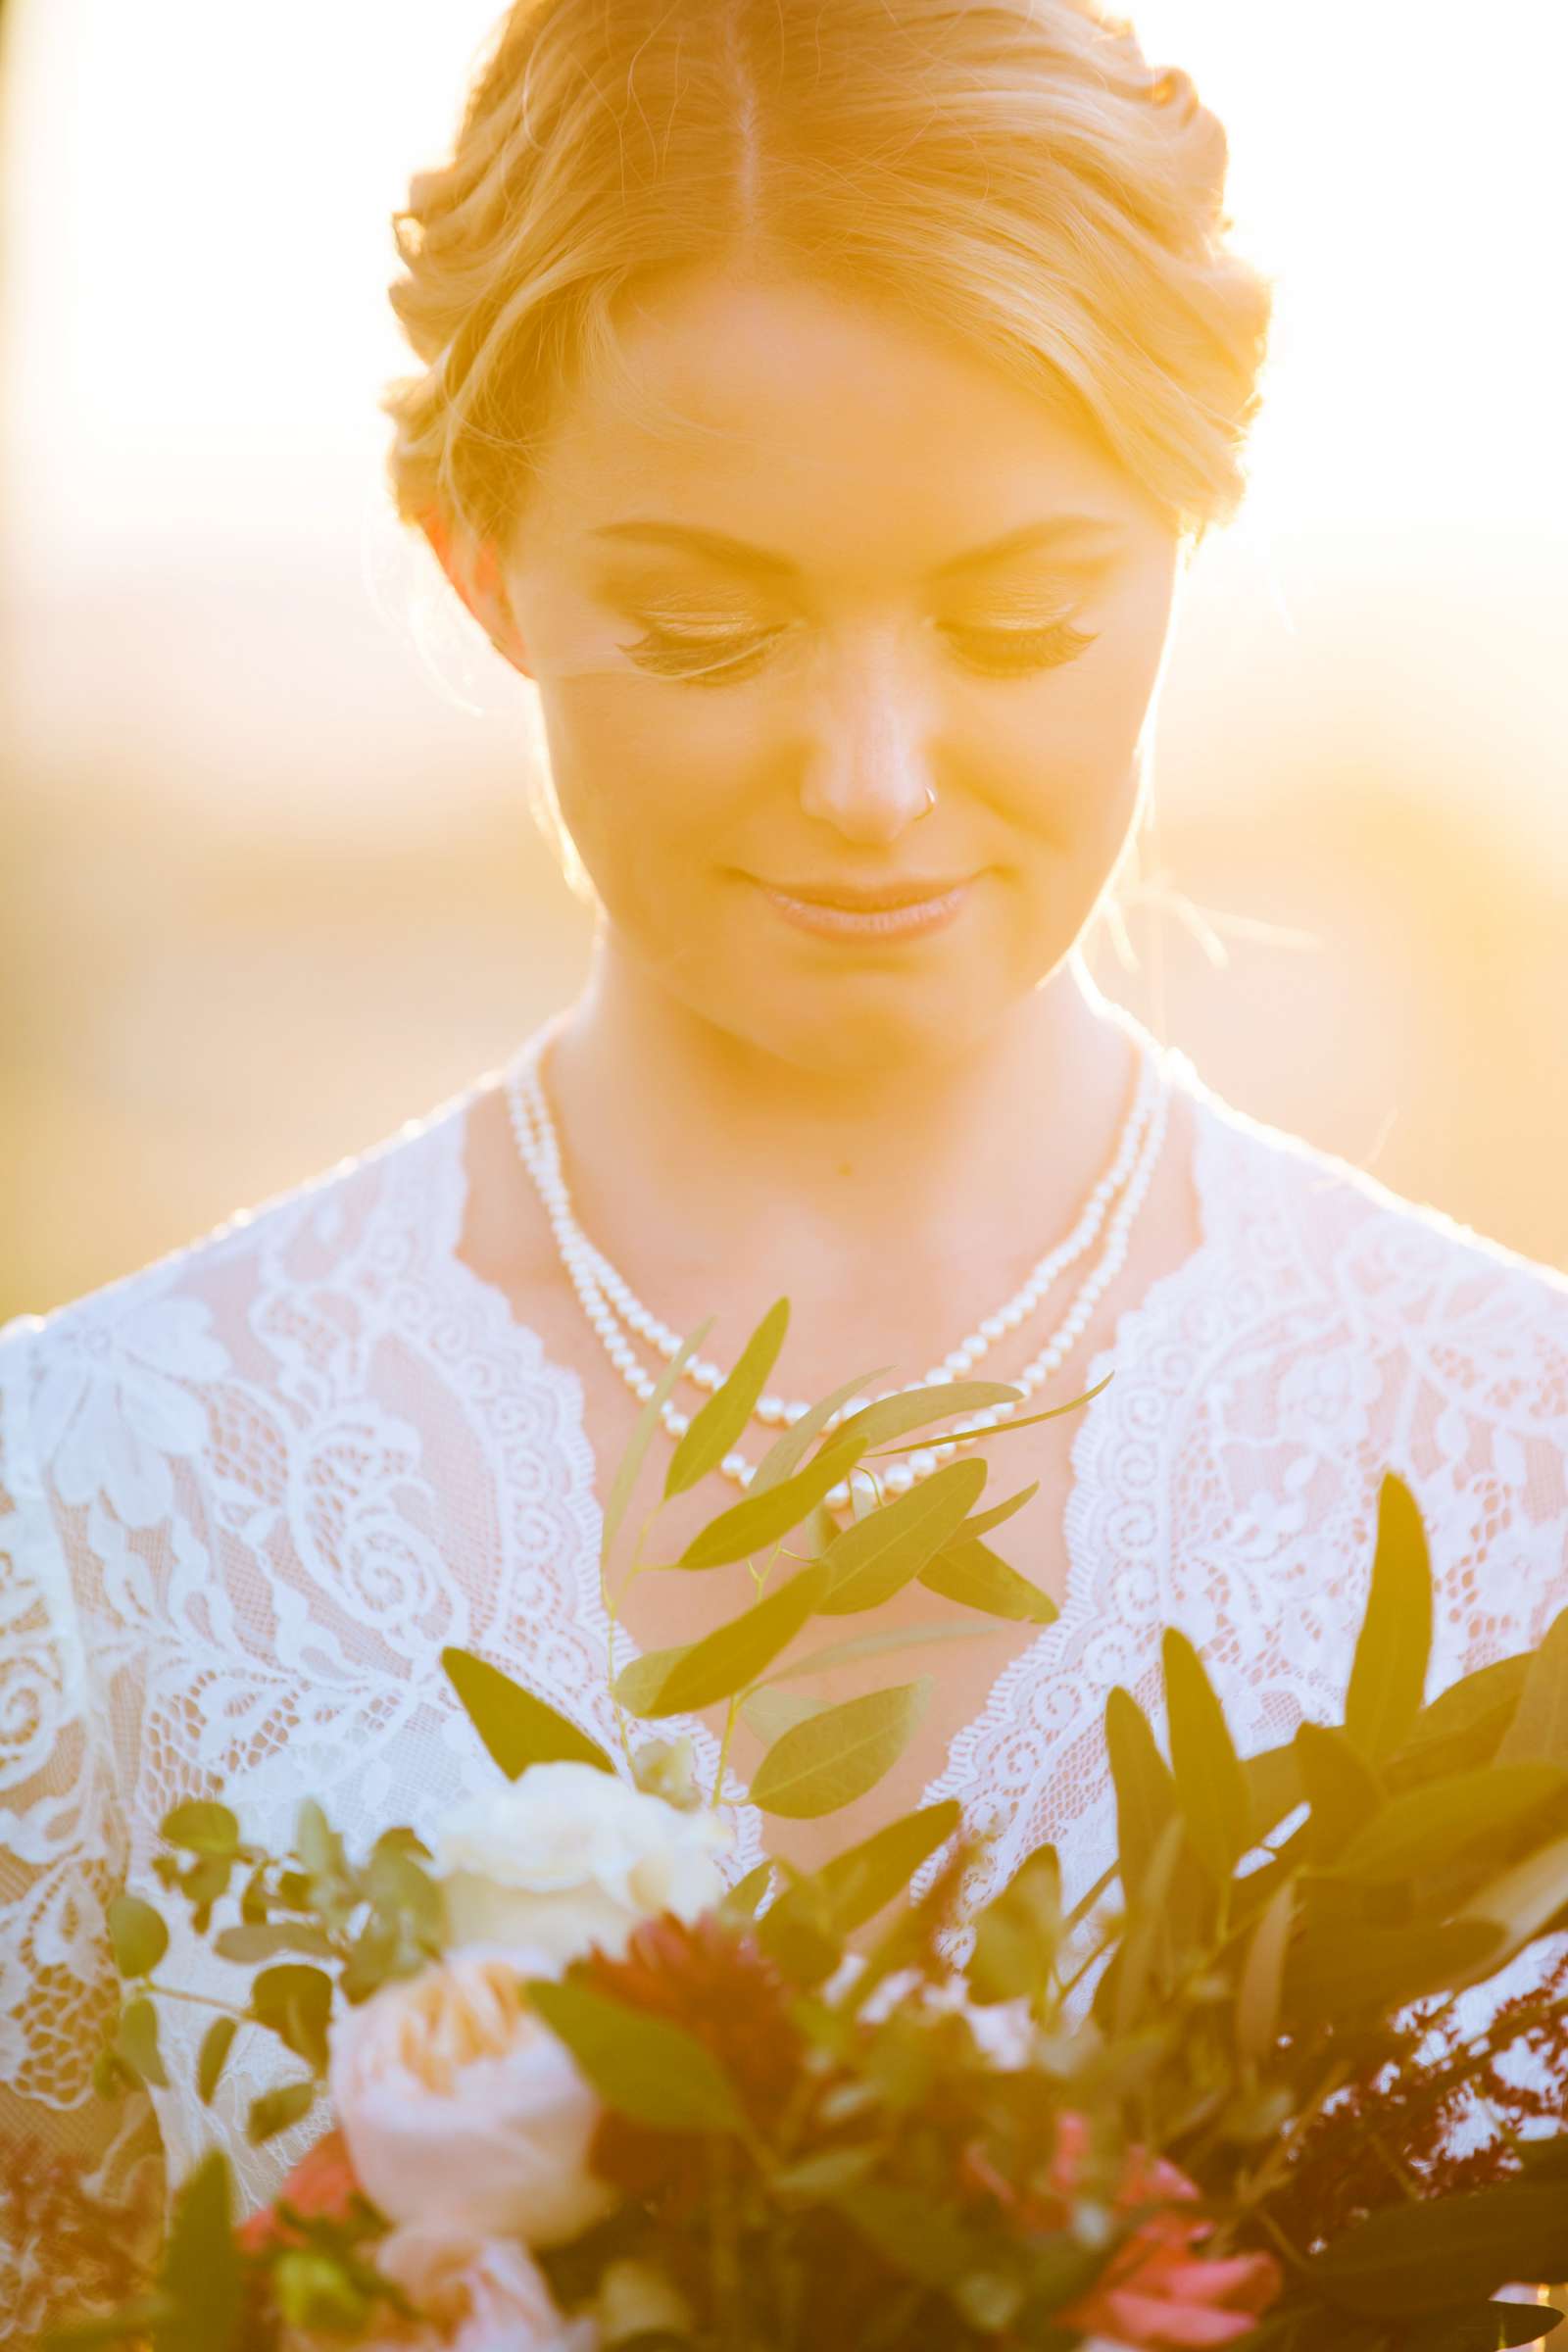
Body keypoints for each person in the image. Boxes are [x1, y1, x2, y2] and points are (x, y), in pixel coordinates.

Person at [3, 0, 1566, 2331]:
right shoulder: (93, 1513)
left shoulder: (1519, 1464)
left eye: (1018, 619)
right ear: (476, 564)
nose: (869, 774)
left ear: (1186, 533)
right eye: (705, 626)